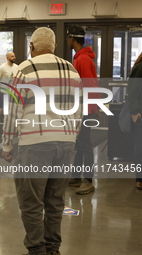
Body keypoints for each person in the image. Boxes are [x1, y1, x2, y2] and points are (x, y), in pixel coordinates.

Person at [2, 27, 82, 255]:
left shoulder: (24, 69)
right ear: (55, 46)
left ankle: (37, 250)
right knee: (55, 202)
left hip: (34, 145)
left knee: (31, 203)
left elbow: (13, 111)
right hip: (65, 145)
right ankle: (53, 249)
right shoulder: (71, 69)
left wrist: (7, 145)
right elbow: (79, 111)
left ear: (31, 47)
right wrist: (71, 137)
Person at [67, 25, 100, 195]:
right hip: (82, 107)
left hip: (84, 108)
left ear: (73, 39)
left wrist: (86, 108)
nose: (67, 41)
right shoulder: (80, 57)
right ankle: (76, 176)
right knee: (79, 143)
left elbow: (88, 85)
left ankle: (88, 180)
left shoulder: (83, 59)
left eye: (68, 38)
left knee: (85, 144)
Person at [127, 52, 142, 190]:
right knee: (140, 148)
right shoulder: (140, 67)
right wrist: (135, 111)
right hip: (140, 114)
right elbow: (132, 91)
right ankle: (140, 178)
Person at [0, 52, 18, 133]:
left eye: (14, 56)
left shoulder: (17, 67)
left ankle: (10, 126)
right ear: (7, 58)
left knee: (12, 109)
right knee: (3, 109)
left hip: (13, 92)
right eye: (12, 56)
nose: (14, 57)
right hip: (4, 91)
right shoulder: (2, 68)